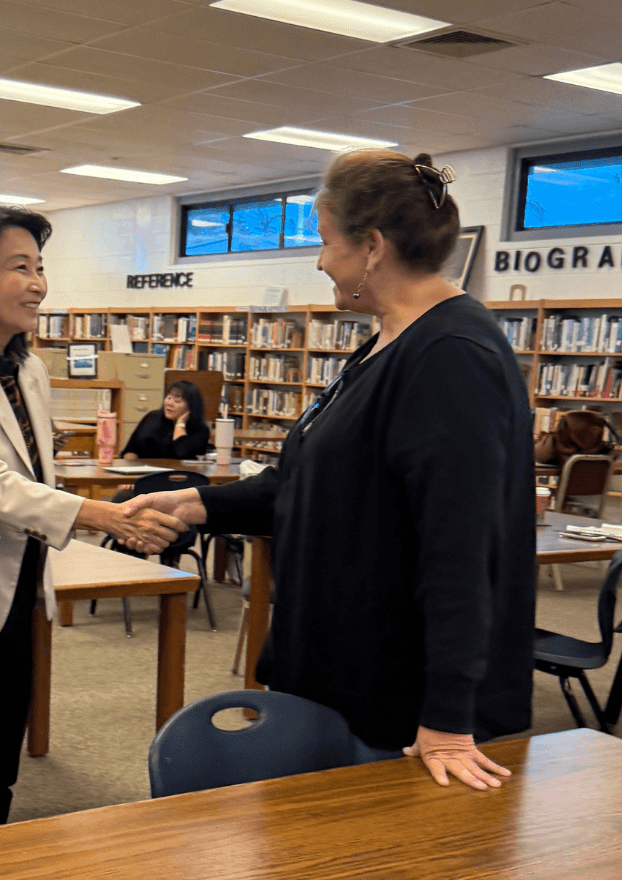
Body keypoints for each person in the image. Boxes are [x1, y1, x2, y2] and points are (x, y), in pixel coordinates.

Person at [125, 150, 536, 790]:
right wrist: (201, 505)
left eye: (325, 242)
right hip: (338, 671)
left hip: (400, 711)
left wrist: (450, 716)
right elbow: (315, 482)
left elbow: (461, 549)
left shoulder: (451, 355)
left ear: (372, 247)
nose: (320, 262)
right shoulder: (385, 341)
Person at [0, 204, 185, 824]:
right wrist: (104, 516)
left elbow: (34, 475)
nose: (37, 284)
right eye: (19, 268)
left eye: (40, 267)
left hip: (21, 586)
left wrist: (90, 515)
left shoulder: (26, 366)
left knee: (1, 756)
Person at [121, 380, 210, 460]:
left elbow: (181, 454)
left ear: (191, 407)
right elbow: (130, 450)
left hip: (179, 475)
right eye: (169, 398)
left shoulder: (200, 430)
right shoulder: (152, 418)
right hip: (147, 474)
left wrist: (180, 425)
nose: (169, 403)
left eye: (177, 401)